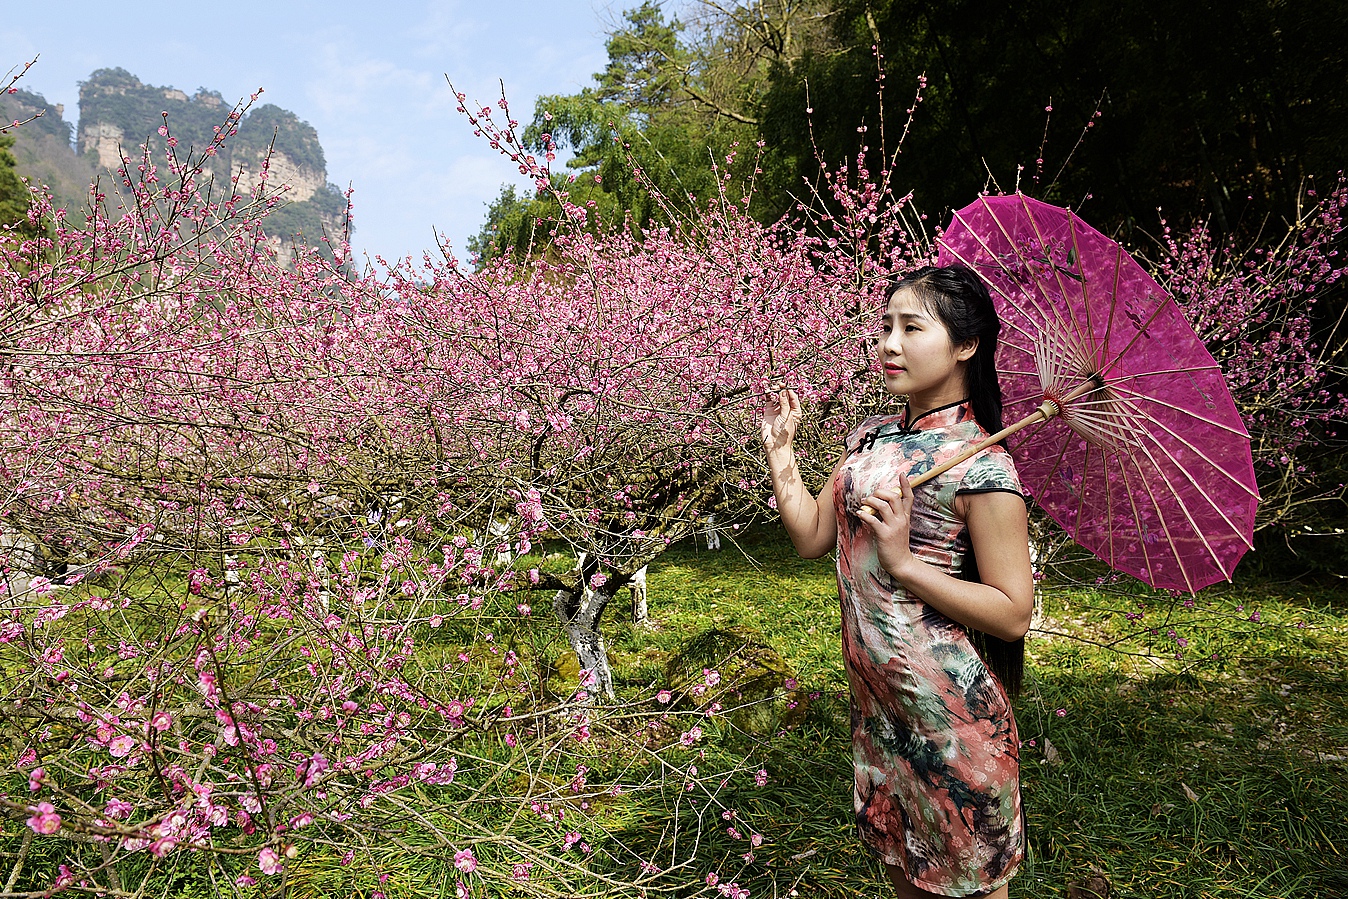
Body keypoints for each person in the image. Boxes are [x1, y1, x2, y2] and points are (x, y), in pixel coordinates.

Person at [761, 264, 1034, 899]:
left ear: (966, 346)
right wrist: (782, 458)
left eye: (912, 327)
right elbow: (811, 537)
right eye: (886, 326)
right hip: (879, 712)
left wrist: (905, 562)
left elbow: (1013, 612)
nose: (888, 343)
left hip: (950, 719)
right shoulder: (870, 439)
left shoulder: (985, 464)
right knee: (904, 880)